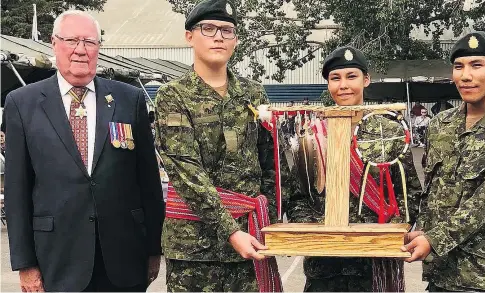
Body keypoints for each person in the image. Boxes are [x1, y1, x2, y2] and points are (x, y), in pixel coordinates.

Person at [3, 10, 164, 292]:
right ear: (54, 43)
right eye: (71, 41)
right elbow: (17, 190)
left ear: (98, 48)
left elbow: (148, 181)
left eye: (89, 42)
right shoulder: (22, 103)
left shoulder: (129, 99)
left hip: (124, 257)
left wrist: (154, 248)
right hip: (57, 259)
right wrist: (25, 263)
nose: (80, 50)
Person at [155, 0, 281, 291]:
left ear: (236, 40)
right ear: (189, 36)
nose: (218, 37)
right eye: (208, 28)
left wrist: (271, 221)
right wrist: (231, 231)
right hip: (195, 249)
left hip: (251, 239)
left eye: (227, 30)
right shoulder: (173, 96)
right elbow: (186, 171)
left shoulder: (253, 93)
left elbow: (271, 162)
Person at [401, 31, 485, 292]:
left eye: (477, 65)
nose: (466, 76)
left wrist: (434, 239)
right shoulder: (440, 124)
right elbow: (432, 195)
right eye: (459, 67)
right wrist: (420, 230)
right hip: (444, 275)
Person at [286, 46, 423, 292]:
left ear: (366, 79)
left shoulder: (388, 132)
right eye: (335, 78)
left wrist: (389, 231)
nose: (344, 85)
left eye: (352, 76)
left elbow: (409, 193)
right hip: (324, 265)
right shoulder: (312, 136)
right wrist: (317, 230)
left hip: (375, 262)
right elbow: (297, 197)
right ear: (328, 84)